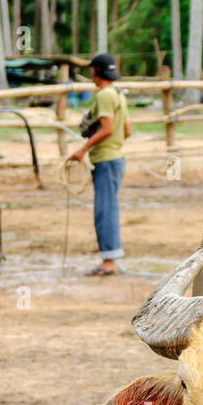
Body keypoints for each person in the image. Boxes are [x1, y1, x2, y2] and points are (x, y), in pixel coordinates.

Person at [69, 53, 130, 276]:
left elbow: (107, 128)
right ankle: (111, 255)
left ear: (96, 71)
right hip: (115, 158)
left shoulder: (104, 95)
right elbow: (126, 130)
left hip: (105, 160)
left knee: (104, 210)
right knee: (109, 208)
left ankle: (109, 261)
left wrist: (83, 149)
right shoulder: (118, 94)